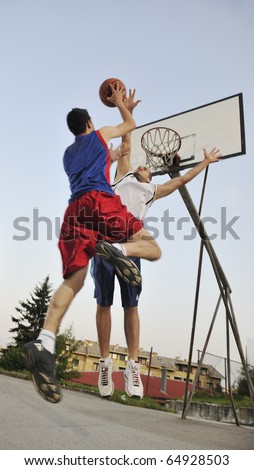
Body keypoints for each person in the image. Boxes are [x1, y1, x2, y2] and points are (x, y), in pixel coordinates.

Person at [21, 83, 162, 404]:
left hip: (74, 212)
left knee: (75, 279)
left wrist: (112, 156)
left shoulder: (68, 155)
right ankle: (119, 250)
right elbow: (130, 126)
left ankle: (45, 341)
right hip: (99, 202)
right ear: (89, 123)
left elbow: (97, 164)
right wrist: (121, 104)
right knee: (152, 248)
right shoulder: (100, 134)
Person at [92, 91, 221, 399]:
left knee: (131, 306)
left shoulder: (151, 190)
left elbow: (181, 180)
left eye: (148, 169)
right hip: (105, 240)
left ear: (151, 174)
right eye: (141, 166)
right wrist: (125, 107)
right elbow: (127, 139)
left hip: (129, 247)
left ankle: (133, 366)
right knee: (103, 304)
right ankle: (105, 362)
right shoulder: (122, 175)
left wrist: (204, 161)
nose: (143, 168)